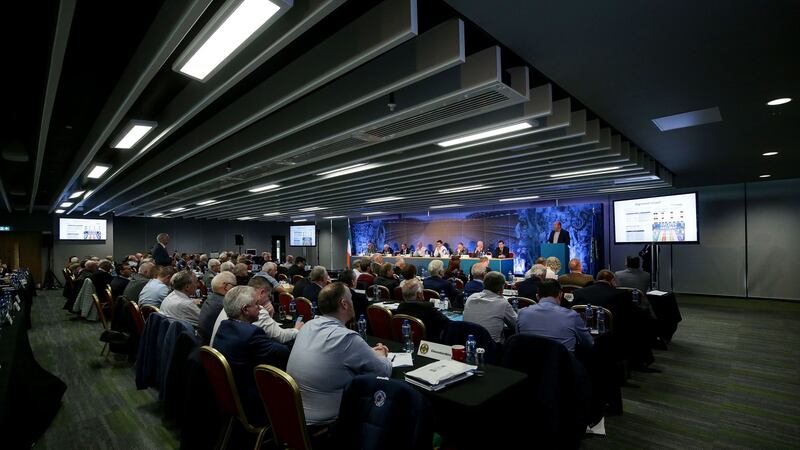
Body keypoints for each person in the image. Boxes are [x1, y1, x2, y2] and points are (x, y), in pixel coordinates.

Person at [287, 282, 392, 425]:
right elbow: (383, 372)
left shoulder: (308, 326)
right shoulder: (347, 338)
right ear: (344, 304)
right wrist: (381, 355)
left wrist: (367, 353)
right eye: (350, 298)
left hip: (294, 414)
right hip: (327, 422)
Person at [212, 286, 290, 425]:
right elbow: (284, 353)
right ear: (245, 309)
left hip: (230, 397)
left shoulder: (225, 325)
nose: (260, 308)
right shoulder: (251, 333)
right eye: (257, 304)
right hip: (252, 401)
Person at [516, 279, 592, 352]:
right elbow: (589, 343)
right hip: (562, 364)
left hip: (528, 363)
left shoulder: (522, 313)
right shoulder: (572, 316)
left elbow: (517, 340)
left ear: (537, 296)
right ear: (560, 295)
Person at [463, 271, 517, 343]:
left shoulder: (471, 298)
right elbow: (516, 325)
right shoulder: (502, 303)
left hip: (470, 343)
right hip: (492, 348)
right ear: (502, 287)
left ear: (483, 283)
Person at [198, 271, 237, 344]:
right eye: (235, 286)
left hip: (203, 345)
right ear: (226, 287)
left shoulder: (211, 298)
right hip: (213, 347)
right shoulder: (226, 306)